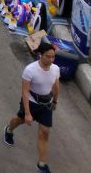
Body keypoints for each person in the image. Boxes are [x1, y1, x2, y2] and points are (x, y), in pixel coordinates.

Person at [4, 41, 60, 173]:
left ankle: (42, 164)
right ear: (41, 55)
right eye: (48, 56)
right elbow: (25, 92)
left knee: (44, 133)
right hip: (31, 103)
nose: (51, 59)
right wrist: (28, 113)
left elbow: (56, 85)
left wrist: (55, 101)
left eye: (53, 56)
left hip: (46, 104)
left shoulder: (55, 69)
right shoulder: (30, 70)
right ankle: (8, 130)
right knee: (19, 120)